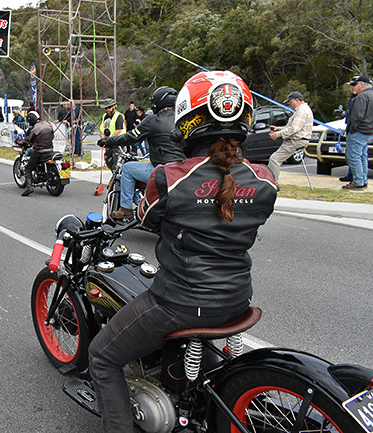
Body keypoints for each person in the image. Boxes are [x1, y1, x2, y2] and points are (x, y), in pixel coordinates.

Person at [88, 70, 277, 433]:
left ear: (188, 119)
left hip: (179, 303)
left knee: (101, 357)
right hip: (238, 299)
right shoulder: (265, 180)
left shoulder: (169, 177)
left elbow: (145, 216)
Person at [97, 86, 185, 218]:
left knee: (127, 169)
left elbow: (130, 137)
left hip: (162, 169)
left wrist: (108, 141)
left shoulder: (153, 120)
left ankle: (125, 209)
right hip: (183, 170)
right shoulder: (183, 119)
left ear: (158, 102)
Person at [267, 91, 313, 185]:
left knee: (274, 159)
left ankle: (272, 184)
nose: (289, 104)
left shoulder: (302, 111)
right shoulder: (302, 110)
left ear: (297, 100)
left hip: (295, 141)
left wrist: (277, 134)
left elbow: (294, 129)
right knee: (275, 159)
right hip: (298, 139)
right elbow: (295, 127)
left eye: (290, 102)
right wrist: (278, 129)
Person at [342, 75, 373, 190]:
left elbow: (356, 116)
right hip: (369, 132)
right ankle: (363, 180)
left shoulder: (362, 97)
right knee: (363, 156)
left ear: (362, 84)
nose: (354, 87)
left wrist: (351, 129)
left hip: (359, 131)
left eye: (356, 84)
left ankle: (358, 181)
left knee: (353, 157)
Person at [15, 111, 54, 197]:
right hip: (50, 150)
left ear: (31, 120)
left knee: (28, 169)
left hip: (40, 151)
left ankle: (29, 187)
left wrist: (18, 141)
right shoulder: (48, 124)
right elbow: (52, 135)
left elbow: (26, 140)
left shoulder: (35, 128)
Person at [99, 98, 126, 170]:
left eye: (109, 107)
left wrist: (109, 139)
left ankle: (118, 179)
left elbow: (118, 130)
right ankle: (114, 177)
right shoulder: (104, 116)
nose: (108, 109)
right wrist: (103, 139)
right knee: (109, 161)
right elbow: (101, 129)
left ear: (113, 107)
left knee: (117, 164)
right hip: (109, 144)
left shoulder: (119, 116)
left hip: (118, 143)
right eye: (106, 108)